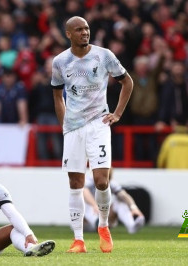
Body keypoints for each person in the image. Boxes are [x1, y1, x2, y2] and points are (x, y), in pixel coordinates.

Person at [51, 16, 133, 253]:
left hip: (99, 124)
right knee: (75, 183)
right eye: (79, 30)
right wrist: (64, 125)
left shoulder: (103, 55)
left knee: (101, 181)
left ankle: (104, 227)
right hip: (74, 128)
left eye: (86, 28)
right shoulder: (60, 62)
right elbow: (57, 95)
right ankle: (78, 240)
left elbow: (127, 82)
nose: (84, 33)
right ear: (68, 34)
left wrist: (117, 113)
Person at [83, 169, 145, 234]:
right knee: (86, 204)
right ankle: (98, 223)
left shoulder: (110, 182)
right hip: (86, 224)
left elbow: (124, 195)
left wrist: (134, 208)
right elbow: (85, 192)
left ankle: (131, 226)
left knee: (119, 202)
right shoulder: (89, 180)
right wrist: (94, 205)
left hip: (104, 219)